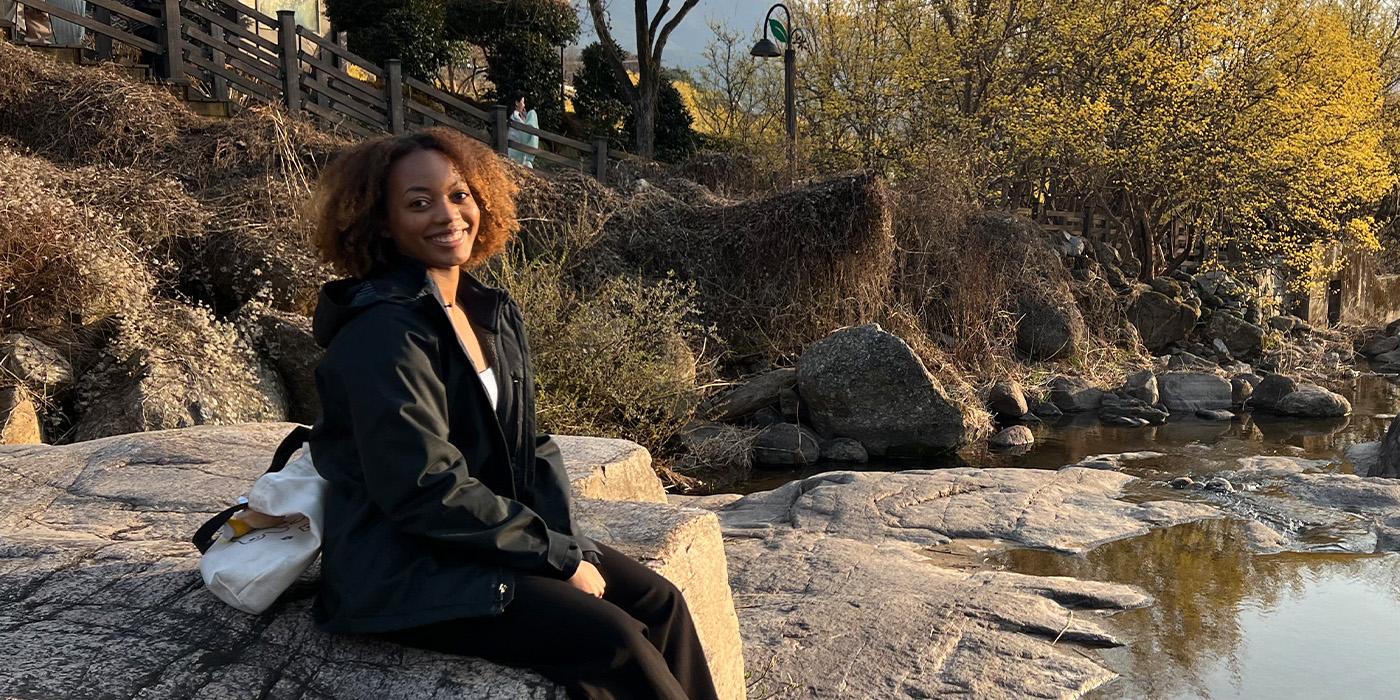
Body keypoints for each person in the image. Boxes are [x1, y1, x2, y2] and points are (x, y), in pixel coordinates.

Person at [307, 127, 720, 700]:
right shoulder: (385, 334)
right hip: (407, 564)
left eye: (459, 195)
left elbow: (530, 446)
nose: (448, 215)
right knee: (615, 641)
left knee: (660, 602)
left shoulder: (481, 309)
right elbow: (422, 486)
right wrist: (553, 559)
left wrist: (564, 545)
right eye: (418, 203)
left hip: (480, 539)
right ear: (382, 223)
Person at [507, 93, 540, 168]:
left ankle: (529, 156)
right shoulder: (515, 116)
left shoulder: (517, 116)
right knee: (532, 114)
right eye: (523, 102)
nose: (524, 105)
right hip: (515, 151)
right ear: (517, 103)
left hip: (518, 149)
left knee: (533, 126)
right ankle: (530, 156)